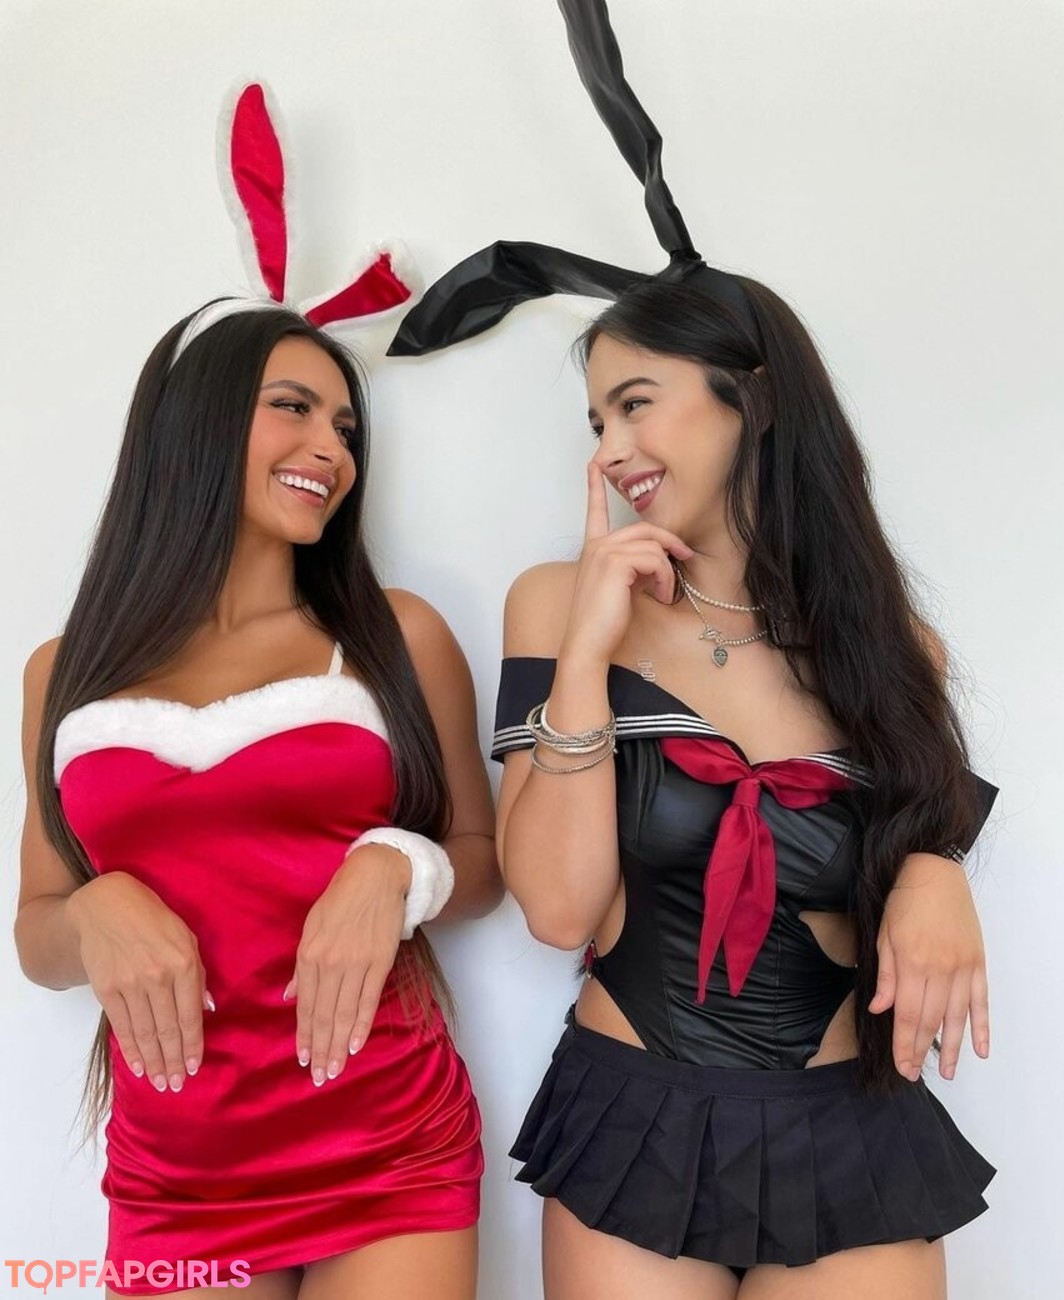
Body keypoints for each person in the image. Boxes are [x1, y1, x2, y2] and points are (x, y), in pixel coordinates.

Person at [491, 276, 996, 1299]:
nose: (610, 450)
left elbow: (918, 834)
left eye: (635, 403)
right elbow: (556, 910)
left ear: (753, 397)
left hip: (850, 1122)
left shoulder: (893, 650)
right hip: (637, 1118)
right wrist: (586, 654)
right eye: (596, 422)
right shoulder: (557, 603)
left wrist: (937, 865)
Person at [16, 300, 502, 1300]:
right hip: (176, 1176)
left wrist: (394, 863)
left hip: (387, 1146)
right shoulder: (63, 672)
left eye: (346, 429)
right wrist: (95, 908)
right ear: (198, 423)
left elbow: (482, 864)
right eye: (294, 408)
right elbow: (36, 935)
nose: (332, 449)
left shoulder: (396, 636)